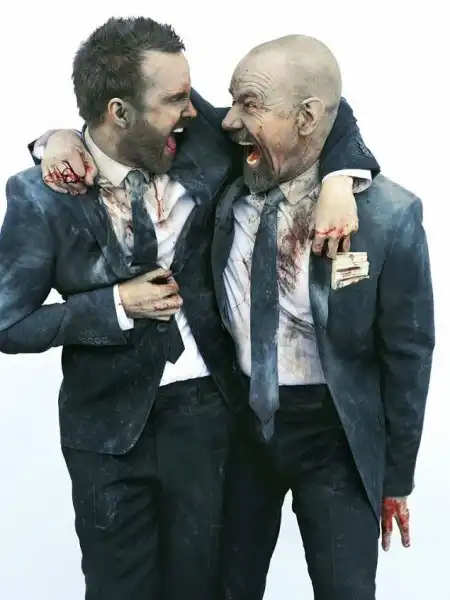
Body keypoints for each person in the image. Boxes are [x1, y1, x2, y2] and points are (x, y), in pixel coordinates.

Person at [2, 18, 379, 600]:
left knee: (200, 586)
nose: (196, 111)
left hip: (207, 413)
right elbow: (8, 322)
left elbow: (327, 107)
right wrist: (112, 305)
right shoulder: (41, 195)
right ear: (119, 112)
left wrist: (337, 181)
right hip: (105, 430)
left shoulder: (199, 142)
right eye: (176, 99)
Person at [211, 34, 435, 600]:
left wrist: (397, 477)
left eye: (249, 104)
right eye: (231, 101)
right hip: (240, 426)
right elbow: (152, 102)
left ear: (308, 119)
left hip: (335, 435)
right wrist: (56, 142)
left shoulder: (389, 217)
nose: (229, 121)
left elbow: (409, 354)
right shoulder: (226, 170)